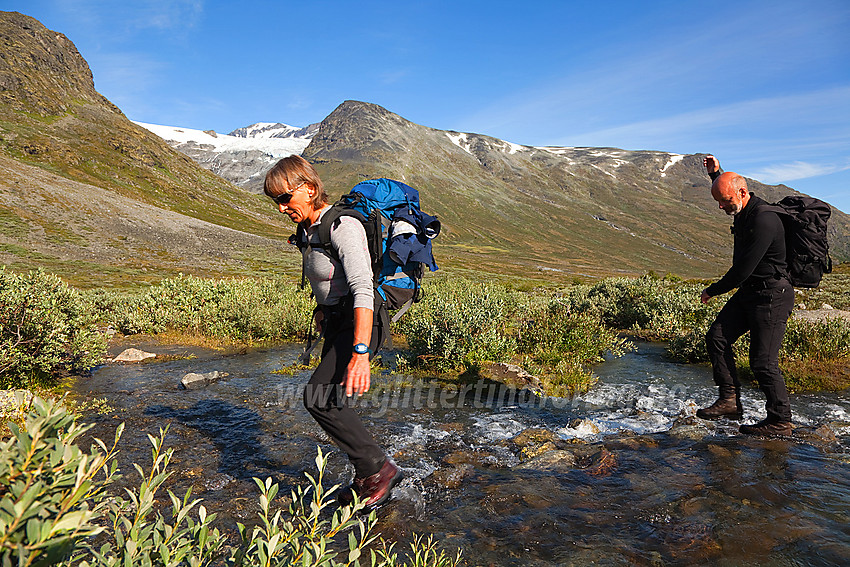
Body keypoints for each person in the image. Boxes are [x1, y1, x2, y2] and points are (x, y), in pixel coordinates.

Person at [264, 155, 402, 507]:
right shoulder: (308, 230)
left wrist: (359, 354)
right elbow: (328, 279)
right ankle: (367, 472)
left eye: (284, 199)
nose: (281, 209)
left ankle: (379, 468)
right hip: (338, 321)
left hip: (360, 322)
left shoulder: (342, 227)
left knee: (317, 397)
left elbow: (362, 288)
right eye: (275, 201)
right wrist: (322, 311)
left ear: (309, 189)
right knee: (330, 398)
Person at [695, 155, 795, 437]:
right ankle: (729, 401)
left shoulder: (765, 220)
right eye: (719, 201)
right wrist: (716, 174)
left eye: (724, 201)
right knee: (717, 337)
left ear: (742, 193)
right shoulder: (742, 204)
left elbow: (741, 271)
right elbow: (729, 187)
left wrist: (712, 291)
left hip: (772, 295)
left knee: (763, 362)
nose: (721, 206)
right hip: (751, 292)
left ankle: (780, 421)